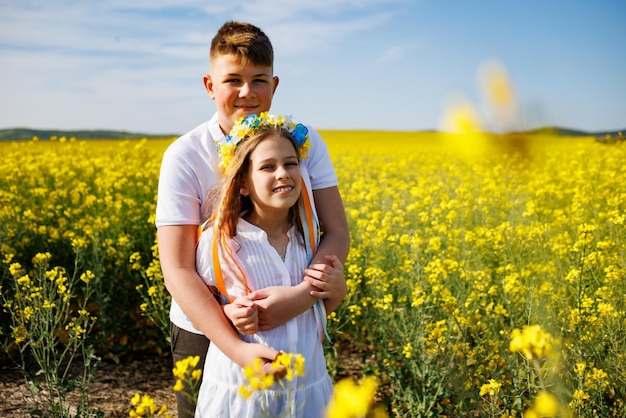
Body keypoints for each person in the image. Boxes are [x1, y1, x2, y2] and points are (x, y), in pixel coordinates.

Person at [155, 21, 350, 417]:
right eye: (233, 80)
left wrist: (299, 299)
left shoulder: (303, 142)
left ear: (274, 86)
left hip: (294, 315)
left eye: (259, 80)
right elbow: (176, 267)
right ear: (210, 86)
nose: (247, 92)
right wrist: (237, 346)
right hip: (203, 324)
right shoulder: (184, 155)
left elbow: (336, 230)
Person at [194, 113, 344, 417]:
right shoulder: (220, 243)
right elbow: (196, 307)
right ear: (243, 184)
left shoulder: (311, 240)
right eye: (267, 167)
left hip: (307, 390)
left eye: (291, 163)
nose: (283, 173)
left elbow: (311, 316)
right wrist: (226, 313)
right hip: (242, 393)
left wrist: (337, 292)